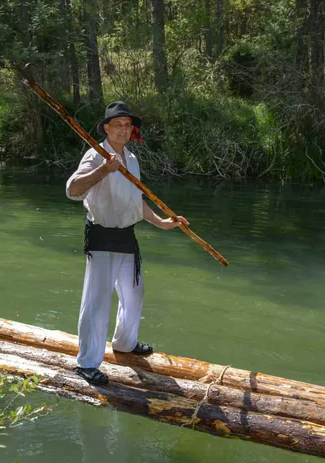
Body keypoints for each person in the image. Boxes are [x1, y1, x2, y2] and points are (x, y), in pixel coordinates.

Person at [65, 101, 188, 385]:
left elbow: (135, 201)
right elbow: (72, 189)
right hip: (101, 236)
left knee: (135, 294)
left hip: (126, 237)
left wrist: (162, 222)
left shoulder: (131, 158)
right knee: (97, 303)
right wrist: (104, 171)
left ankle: (124, 343)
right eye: (118, 124)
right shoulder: (96, 156)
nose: (123, 129)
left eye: (128, 125)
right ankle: (87, 362)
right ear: (107, 128)